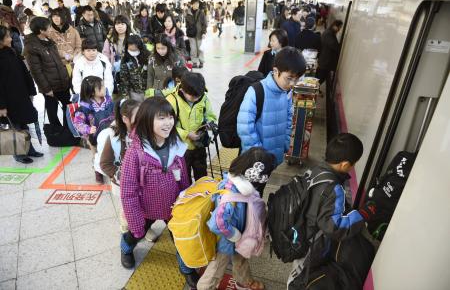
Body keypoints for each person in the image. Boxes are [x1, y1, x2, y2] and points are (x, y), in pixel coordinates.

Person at [119, 97, 196, 286]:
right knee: (135, 233)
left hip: (173, 206)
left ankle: (186, 268)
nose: (168, 122)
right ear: (147, 119)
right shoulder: (135, 153)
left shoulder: (175, 144)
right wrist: (135, 222)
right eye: (161, 118)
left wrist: (185, 203)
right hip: (146, 208)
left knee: (180, 238)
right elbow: (128, 191)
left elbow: (183, 177)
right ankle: (126, 247)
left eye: (170, 117)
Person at [287, 133, 377, 287]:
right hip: (312, 242)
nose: (353, 167)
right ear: (344, 165)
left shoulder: (314, 170)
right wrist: (362, 215)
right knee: (302, 275)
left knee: (299, 268)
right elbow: (334, 227)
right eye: (353, 164)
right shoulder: (334, 189)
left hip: (300, 232)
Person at [197, 147, 276, 290]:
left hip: (240, 236)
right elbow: (217, 223)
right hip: (227, 241)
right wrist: (235, 235)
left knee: (241, 260)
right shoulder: (230, 195)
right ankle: (204, 287)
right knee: (216, 268)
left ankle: (244, 282)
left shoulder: (242, 186)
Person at [238, 47, 306, 167]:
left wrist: (285, 144)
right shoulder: (256, 91)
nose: (292, 84)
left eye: (296, 80)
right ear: (275, 71)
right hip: (254, 161)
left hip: (274, 158)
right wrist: (259, 156)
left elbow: (289, 119)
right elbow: (245, 128)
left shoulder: (287, 93)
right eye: (289, 78)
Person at [0, 26, 44, 164]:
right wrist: (1, 106)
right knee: (15, 126)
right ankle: (19, 153)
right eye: (7, 36)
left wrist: (31, 90)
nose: (11, 38)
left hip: (21, 95)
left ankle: (29, 149)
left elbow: (24, 72)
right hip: (8, 100)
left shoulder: (11, 51)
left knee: (24, 124)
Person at [99, 99, 140, 232]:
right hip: (123, 184)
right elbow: (105, 163)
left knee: (141, 207)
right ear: (125, 119)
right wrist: (124, 176)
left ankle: (143, 227)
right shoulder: (114, 137)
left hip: (142, 181)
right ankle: (127, 232)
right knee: (127, 211)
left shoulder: (142, 132)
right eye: (137, 117)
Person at [166, 72, 216, 182]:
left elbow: (210, 115)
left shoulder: (203, 97)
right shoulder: (171, 100)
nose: (196, 98)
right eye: (193, 97)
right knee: (184, 178)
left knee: (202, 175)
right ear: (183, 90)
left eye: (198, 96)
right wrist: (187, 134)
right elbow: (167, 127)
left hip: (199, 145)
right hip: (181, 149)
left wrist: (210, 123)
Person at [24, 17, 70, 127]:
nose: (51, 29)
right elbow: (36, 71)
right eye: (49, 27)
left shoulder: (48, 41)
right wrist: (46, 89)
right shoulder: (31, 47)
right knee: (52, 109)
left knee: (67, 107)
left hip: (62, 82)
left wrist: (67, 57)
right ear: (41, 30)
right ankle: (56, 131)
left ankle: (68, 129)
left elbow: (57, 57)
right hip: (50, 86)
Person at [73, 76, 113, 183]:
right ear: (91, 92)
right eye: (101, 86)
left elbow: (115, 113)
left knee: (110, 152)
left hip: (110, 132)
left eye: (104, 85)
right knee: (97, 155)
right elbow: (78, 122)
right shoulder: (85, 106)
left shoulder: (108, 100)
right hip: (94, 136)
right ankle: (98, 171)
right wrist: (88, 129)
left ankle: (111, 169)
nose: (105, 88)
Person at [119, 35, 150, 102]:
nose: (133, 52)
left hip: (148, 90)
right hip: (134, 92)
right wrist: (125, 93)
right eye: (131, 50)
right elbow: (124, 78)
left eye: (135, 50)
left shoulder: (148, 56)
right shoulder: (125, 60)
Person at [318, 19, 343, 92]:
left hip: (325, 60)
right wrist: (340, 45)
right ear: (335, 26)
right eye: (339, 27)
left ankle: (316, 90)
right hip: (325, 61)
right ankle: (315, 90)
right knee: (321, 77)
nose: (339, 29)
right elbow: (334, 46)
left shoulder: (329, 33)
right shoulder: (329, 34)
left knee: (321, 77)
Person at [185, 0, 207, 69]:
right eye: (195, 3)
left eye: (197, 3)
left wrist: (203, 32)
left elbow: (205, 24)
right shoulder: (188, 13)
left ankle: (201, 61)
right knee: (193, 48)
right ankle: (194, 62)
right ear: (192, 4)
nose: (196, 5)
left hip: (199, 34)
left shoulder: (201, 13)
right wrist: (188, 29)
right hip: (191, 34)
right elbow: (186, 24)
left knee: (200, 48)